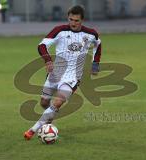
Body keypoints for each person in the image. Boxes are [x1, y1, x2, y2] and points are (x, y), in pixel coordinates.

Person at [24, 5, 102, 140]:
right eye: (71, 19)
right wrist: (48, 61)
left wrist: (95, 64)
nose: (73, 23)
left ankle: (32, 130)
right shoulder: (59, 31)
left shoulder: (91, 34)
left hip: (73, 76)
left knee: (58, 101)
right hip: (56, 72)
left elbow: (98, 45)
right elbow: (42, 46)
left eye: (76, 20)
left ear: (82, 20)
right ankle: (48, 120)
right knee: (44, 102)